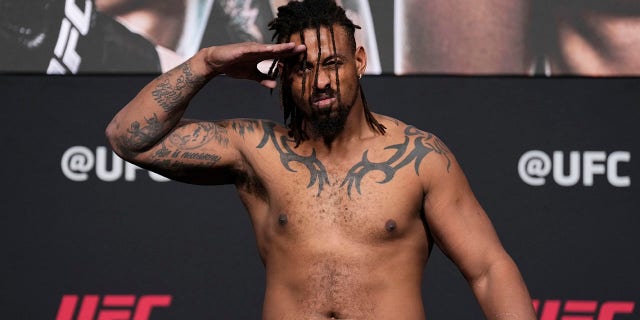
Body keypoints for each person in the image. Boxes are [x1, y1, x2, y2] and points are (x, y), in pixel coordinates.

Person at [106, 0, 536, 318]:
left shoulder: (419, 157)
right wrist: (206, 64)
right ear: (284, 77)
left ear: (360, 62)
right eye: (304, 68)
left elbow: (488, 270)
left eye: (332, 62)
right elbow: (130, 139)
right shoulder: (256, 151)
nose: (321, 81)